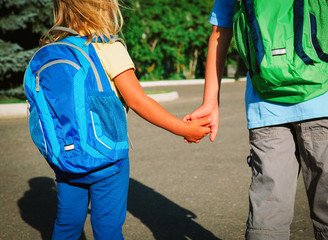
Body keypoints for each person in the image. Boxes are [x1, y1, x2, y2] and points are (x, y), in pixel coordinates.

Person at [184, 0, 328, 239]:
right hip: (326, 99)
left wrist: (210, 101)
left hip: (265, 103)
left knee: (267, 208)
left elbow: (220, 30)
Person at [42, 0, 211, 239]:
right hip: (108, 158)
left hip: (66, 157)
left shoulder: (56, 50)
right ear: (107, 8)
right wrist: (184, 129)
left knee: (67, 224)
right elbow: (138, 101)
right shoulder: (108, 48)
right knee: (107, 227)